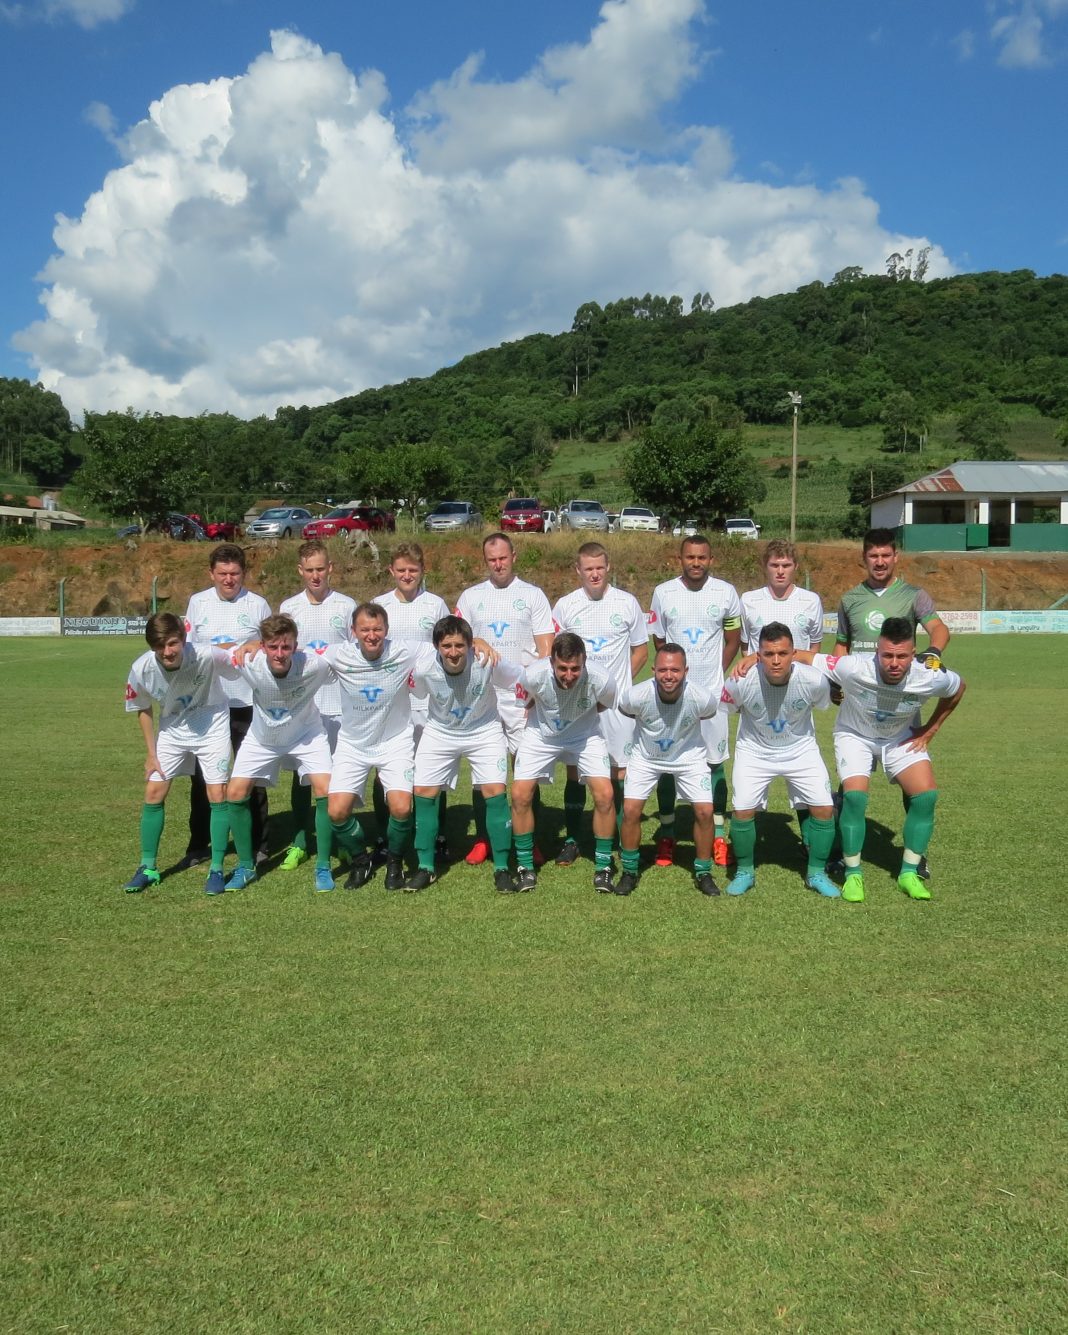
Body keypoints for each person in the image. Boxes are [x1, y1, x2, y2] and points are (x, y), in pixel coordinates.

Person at [788, 616, 965, 902]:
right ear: (876, 652)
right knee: (855, 797)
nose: (894, 663)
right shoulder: (852, 666)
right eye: (887, 656)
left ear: (913, 653)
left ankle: (909, 874)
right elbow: (802, 656)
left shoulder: (930, 675)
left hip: (899, 738)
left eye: (902, 656)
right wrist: (752, 659)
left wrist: (930, 729)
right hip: (855, 736)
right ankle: (853, 875)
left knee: (926, 796)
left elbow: (958, 688)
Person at [832, 527, 951, 880]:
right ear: (864, 558)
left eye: (886, 555)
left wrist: (932, 652)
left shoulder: (914, 595)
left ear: (896, 557)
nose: (880, 561)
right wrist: (834, 682)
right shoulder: (850, 599)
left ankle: (914, 854)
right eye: (873, 555)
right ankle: (842, 851)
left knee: (914, 785)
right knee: (851, 786)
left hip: (901, 705)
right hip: (861, 704)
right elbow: (841, 645)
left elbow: (939, 629)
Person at [717, 622, 839, 898]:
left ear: (794, 653)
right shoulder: (739, 681)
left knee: (823, 809)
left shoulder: (814, 680)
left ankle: (816, 873)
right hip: (755, 751)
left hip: (800, 750)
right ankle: (745, 872)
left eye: (782, 653)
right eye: (768, 654)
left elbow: (822, 704)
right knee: (742, 811)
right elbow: (728, 709)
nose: (775, 660)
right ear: (757, 655)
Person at [456, 532, 554, 863]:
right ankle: (484, 839)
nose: (498, 564)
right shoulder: (471, 597)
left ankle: (528, 838)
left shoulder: (533, 595)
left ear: (514, 556)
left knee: (525, 768)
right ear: (485, 561)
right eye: (492, 559)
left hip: (520, 696)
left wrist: (536, 690)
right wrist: (476, 640)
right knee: (484, 769)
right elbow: (456, 640)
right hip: (482, 694)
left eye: (503, 557)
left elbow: (546, 650)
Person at [550, 542, 648, 865]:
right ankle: (573, 839)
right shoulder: (565, 606)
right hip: (578, 705)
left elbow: (641, 650)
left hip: (616, 707)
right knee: (576, 770)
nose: (595, 574)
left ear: (608, 568)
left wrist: (616, 686)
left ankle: (617, 835)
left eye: (600, 568)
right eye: (588, 568)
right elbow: (556, 653)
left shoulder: (627, 603)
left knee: (618, 770)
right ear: (578, 570)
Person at [122, 612, 233, 894]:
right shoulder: (141, 668)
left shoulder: (206, 655)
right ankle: (147, 867)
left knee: (217, 794)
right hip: (172, 730)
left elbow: (235, 656)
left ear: (183, 639)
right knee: (153, 792)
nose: (167, 652)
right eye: (159, 646)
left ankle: (217, 869)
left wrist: (252, 646)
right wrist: (151, 754)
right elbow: (142, 708)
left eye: (172, 643)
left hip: (212, 727)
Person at [648, 534, 741, 868]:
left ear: (711, 560)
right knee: (667, 763)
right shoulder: (663, 593)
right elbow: (660, 642)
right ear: (680, 559)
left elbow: (733, 639)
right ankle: (667, 835)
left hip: (712, 696)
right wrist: (673, 679)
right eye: (690, 557)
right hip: (672, 697)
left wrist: (716, 673)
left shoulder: (726, 592)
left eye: (702, 557)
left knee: (715, 763)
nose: (696, 563)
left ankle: (718, 836)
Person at [224, 615, 336, 893]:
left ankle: (323, 866)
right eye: (273, 647)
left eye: (286, 647)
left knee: (325, 790)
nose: (280, 653)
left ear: (296, 647)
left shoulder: (314, 664)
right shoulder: (249, 661)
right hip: (263, 738)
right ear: (263, 646)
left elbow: (345, 652)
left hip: (307, 735)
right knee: (235, 792)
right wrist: (246, 644)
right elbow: (208, 651)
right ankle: (246, 867)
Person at [407, 615, 519, 893]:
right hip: (441, 731)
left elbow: (519, 679)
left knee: (494, 792)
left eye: (459, 645)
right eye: (446, 646)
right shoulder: (423, 669)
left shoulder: (486, 660)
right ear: (437, 646)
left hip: (484, 731)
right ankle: (425, 867)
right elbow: (416, 694)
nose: (453, 652)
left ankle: (502, 868)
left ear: (470, 645)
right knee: (423, 792)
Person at [182, 543, 271, 867]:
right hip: (207, 703)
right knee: (202, 777)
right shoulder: (198, 603)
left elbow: (273, 643)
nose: (229, 579)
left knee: (251, 774)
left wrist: (256, 642)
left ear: (243, 573)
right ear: (212, 574)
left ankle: (260, 842)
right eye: (222, 574)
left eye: (234, 573)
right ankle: (199, 844)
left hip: (247, 701)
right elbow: (188, 649)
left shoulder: (258, 604)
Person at [509, 633, 618, 893]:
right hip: (541, 735)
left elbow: (602, 705)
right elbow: (526, 702)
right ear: (551, 663)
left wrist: (577, 718)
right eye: (562, 668)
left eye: (575, 669)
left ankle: (603, 867)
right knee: (520, 794)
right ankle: (525, 867)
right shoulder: (531, 676)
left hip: (584, 735)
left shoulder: (603, 679)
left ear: (585, 662)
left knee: (605, 794)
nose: (569, 675)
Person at [741, 539, 825, 848]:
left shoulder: (810, 600)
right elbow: (746, 647)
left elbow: (815, 648)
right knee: (751, 767)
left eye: (786, 565)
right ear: (764, 567)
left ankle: (809, 842)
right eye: (774, 565)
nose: (780, 571)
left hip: (796, 693)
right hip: (759, 693)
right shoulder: (749, 600)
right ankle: (745, 843)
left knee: (802, 767)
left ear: (795, 567)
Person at [374, 542, 456, 862]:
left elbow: (448, 647)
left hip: (427, 699)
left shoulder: (435, 605)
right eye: (401, 570)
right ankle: (385, 837)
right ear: (391, 571)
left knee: (432, 767)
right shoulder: (380, 605)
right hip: (391, 701)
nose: (407, 575)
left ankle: (437, 835)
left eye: (413, 570)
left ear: (423, 571)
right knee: (385, 766)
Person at [616, 644, 719, 896]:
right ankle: (629, 871)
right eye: (662, 670)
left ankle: (703, 872)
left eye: (675, 670)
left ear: (686, 671)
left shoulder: (703, 698)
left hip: (688, 756)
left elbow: (708, 714)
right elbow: (625, 710)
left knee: (705, 812)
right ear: (653, 670)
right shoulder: (635, 696)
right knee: (630, 810)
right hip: (646, 757)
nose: (668, 675)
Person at [277, 542, 356, 872]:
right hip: (302, 705)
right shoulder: (289, 608)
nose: (315, 575)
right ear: (300, 570)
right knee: (302, 777)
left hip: (338, 704)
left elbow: (355, 655)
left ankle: (340, 840)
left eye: (320, 569)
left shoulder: (347, 606)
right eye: (309, 570)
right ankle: (299, 841)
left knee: (336, 776)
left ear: (330, 568)